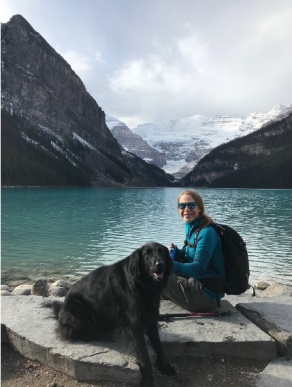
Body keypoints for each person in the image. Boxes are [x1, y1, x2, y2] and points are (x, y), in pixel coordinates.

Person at [162, 190, 225, 312]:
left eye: (191, 205)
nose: (186, 209)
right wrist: (175, 251)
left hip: (207, 295)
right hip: (197, 286)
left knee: (155, 275)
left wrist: (168, 266)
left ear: (200, 208)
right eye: (182, 206)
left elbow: (198, 268)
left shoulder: (207, 232)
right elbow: (188, 258)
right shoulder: (193, 228)